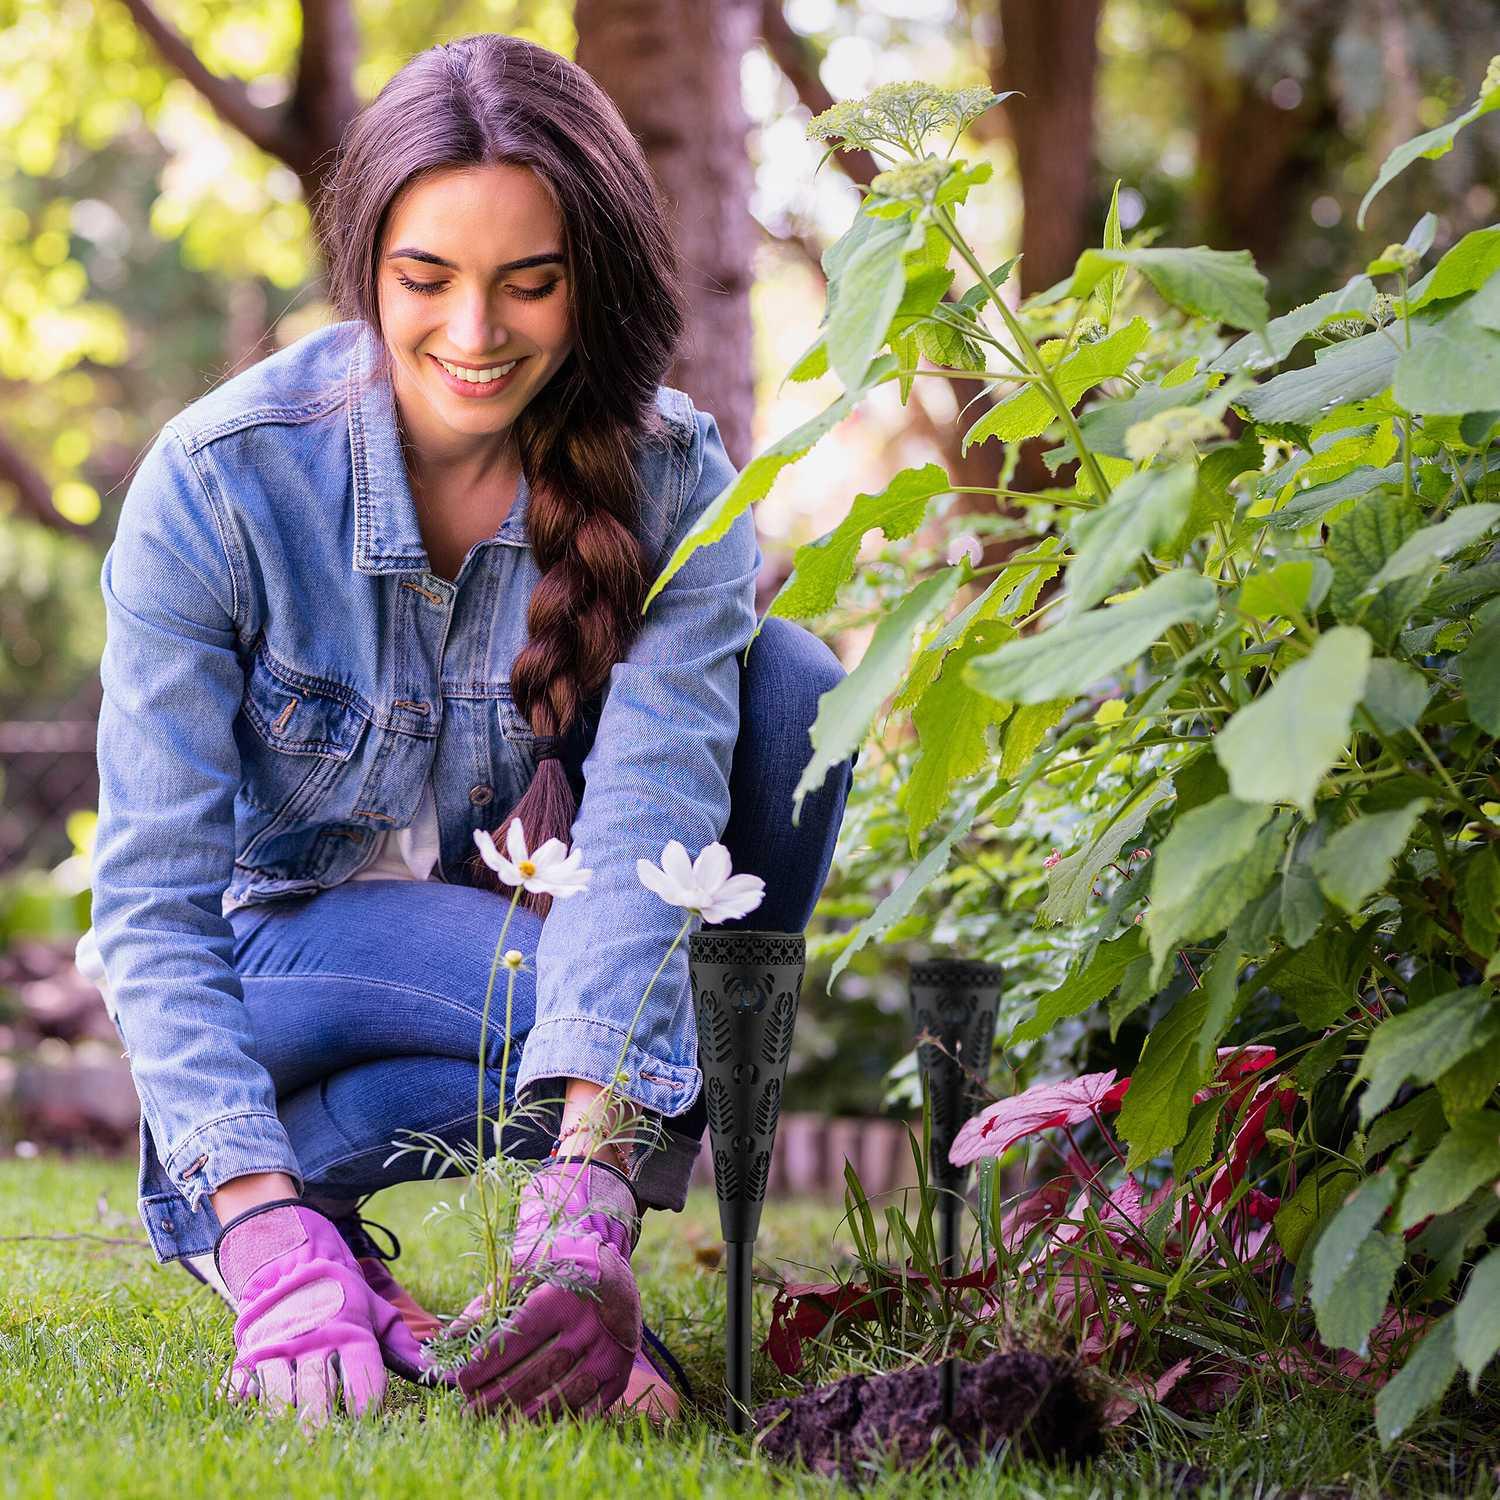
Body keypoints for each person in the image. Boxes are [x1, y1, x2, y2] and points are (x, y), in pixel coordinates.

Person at [74, 32, 855, 1426]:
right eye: (425, 280)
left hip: (529, 927)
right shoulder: (219, 486)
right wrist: (263, 1243)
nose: (474, 335)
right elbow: (150, 901)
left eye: (530, 284)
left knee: (793, 696)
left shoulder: (671, 481)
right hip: (285, 961)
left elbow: (653, 823)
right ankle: (253, 1203)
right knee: (631, 1027)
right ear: (367, 266)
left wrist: (586, 1202)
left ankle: (368, 1200)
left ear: (593, 278)